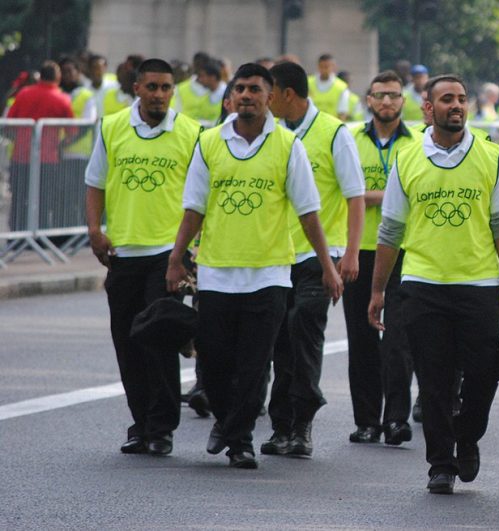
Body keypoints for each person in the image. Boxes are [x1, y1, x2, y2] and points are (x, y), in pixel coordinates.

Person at [165, 63, 342, 469]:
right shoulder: (210, 143)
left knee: (254, 363)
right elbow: (194, 208)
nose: (247, 95)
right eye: (240, 88)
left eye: (255, 89)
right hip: (216, 272)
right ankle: (228, 422)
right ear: (231, 97)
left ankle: (239, 440)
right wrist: (177, 258)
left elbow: (309, 212)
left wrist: (327, 265)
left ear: (269, 96)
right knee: (213, 360)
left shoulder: (287, 145)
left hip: (269, 274)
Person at [368, 74, 499, 494]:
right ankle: (440, 462)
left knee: (481, 378)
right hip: (423, 286)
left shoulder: (491, 157)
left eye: (461, 98)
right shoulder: (407, 158)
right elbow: (390, 231)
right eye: (446, 99)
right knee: (434, 380)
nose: (456, 105)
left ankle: (468, 435)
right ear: (428, 107)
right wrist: (378, 290)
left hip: (478, 288)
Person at [84, 58, 202, 456]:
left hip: (167, 255)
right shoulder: (113, 127)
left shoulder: (189, 133)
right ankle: (141, 423)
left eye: (166, 88)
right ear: (137, 88)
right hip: (124, 252)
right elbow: (95, 182)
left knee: (158, 338)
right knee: (128, 340)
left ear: (173, 91)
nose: (158, 95)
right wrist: (95, 231)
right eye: (151, 87)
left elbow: (201, 198)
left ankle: (162, 426)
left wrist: (189, 252)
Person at [258, 61, 364, 457]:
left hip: (319, 259)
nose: (265, 102)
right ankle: (280, 424)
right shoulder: (267, 135)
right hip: (273, 257)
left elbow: (355, 196)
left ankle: (301, 423)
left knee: (304, 332)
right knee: (277, 342)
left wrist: (349, 254)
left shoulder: (334, 133)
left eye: (270, 94)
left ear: (286, 94)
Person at [343, 70, 422, 445]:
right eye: (380, 95)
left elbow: (405, 191)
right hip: (359, 251)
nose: (387, 101)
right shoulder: (350, 139)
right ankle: (366, 421)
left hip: (405, 251)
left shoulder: (419, 141)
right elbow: (347, 193)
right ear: (368, 101)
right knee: (361, 339)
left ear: (403, 102)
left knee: (399, 341)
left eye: (393, 95)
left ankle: (395, 419)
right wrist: (383, 192)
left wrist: (366, 193)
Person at [5, 60, 75, 233]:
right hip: (47, 159)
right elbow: (72, 131)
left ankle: (17, 235)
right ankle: (41, 236)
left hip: (21, 156)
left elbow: (9, 123)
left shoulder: (24, 94)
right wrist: (60, 146)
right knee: (44, 200)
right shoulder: (62, 98)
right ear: (57, 77)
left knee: (19, 199)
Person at [58, 56, 97, 231]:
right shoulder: (57, 93)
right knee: (61, 197)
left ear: (78, 73)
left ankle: (80, 233)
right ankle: (64, 233)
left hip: (79, 154)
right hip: (57, 155)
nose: (66, 75)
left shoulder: (86, 95)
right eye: (63, 72)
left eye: (70, 71)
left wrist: (67, 141)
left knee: (79, 197)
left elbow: (88, 124)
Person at [173, 57, 226, 125]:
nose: (200, 80)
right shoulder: (204, 94)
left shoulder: (227, 95)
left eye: (203, 76)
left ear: (213, 77)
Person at [308, 54, 351, 121]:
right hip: (310, 125)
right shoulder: (308, 83)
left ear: (334, 67)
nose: (324, 70)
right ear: (318, 66)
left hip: (332, 127)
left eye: (326, 67)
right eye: (321, 67)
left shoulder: (341, 87)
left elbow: (342, 113)